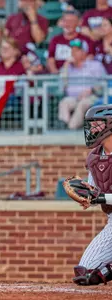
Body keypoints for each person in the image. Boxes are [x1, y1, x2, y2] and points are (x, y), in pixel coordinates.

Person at [72, 104, 112, 285]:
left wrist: (100, 198)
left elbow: (101, 196)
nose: (92, 129)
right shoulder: (95, 157)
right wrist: (87, 195)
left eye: (97, 125)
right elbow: (96, 193)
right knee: (86, 273)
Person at [58, 39, 106, 129]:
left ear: (84, 52)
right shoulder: (67, 67)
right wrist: (65, 66)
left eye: (76, 50)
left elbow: (103, 84)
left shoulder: (95, 65)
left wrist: (91, 90)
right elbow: (61, 87)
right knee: (64, 103)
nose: (73, 53)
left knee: (82, 104)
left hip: (92, 97)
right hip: (73, 98)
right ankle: (65, 127)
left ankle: (71, 128)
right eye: (72, 50)